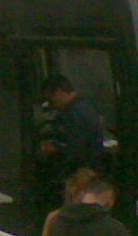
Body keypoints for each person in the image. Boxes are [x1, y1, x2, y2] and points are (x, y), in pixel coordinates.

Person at [35, 75, 108, 211]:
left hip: (81, 172)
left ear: (59, 92)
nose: (52, 104)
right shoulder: (86, 105)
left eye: (51, 99)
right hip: (92, 170)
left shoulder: (74, 113)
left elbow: (76, 149)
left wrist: (55, 148)